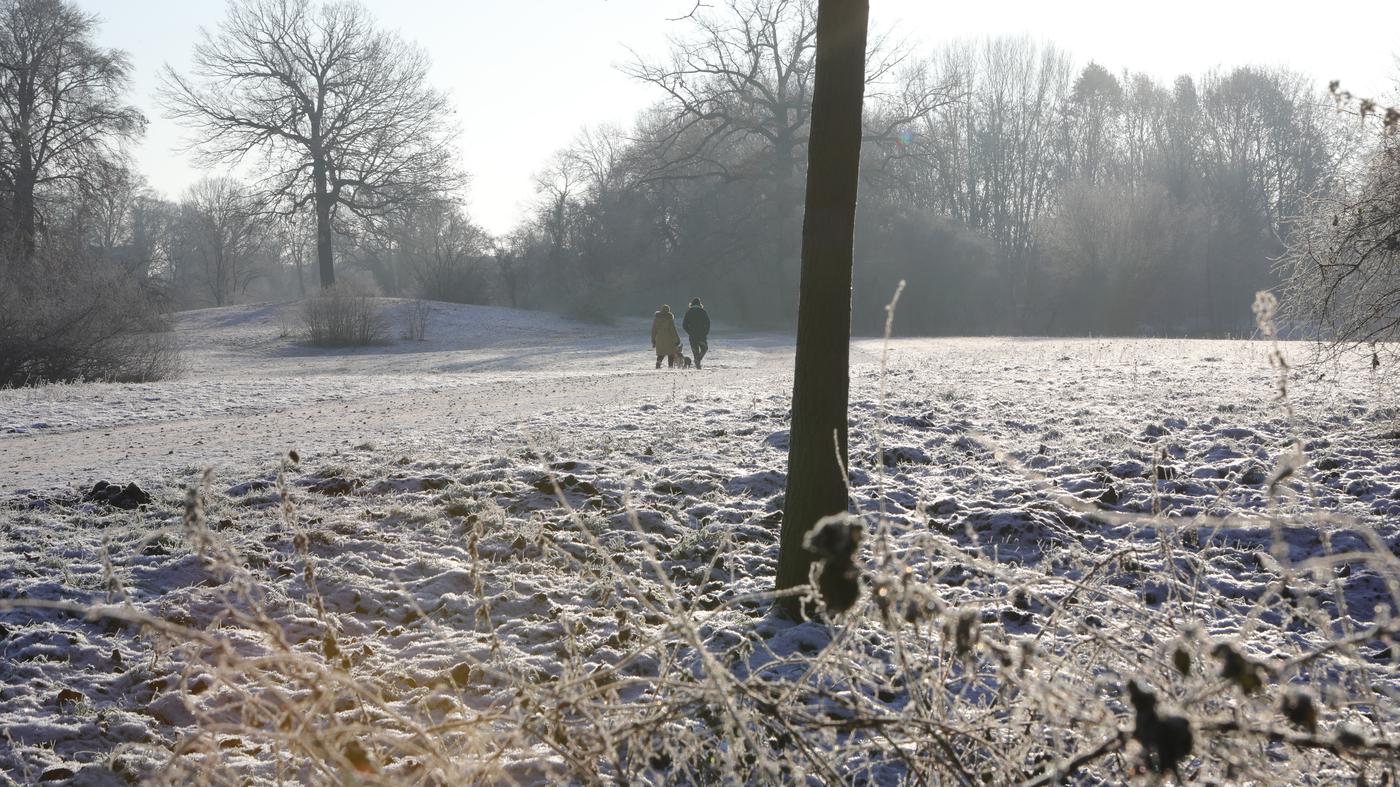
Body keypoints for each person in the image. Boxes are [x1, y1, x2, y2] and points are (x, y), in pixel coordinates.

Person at [682, 297, 710, 369]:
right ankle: (698, 362)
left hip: (692, 335)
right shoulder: (703, 311)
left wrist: (689, 332)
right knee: (704, 348)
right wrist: (705, 332)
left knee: (695, 351)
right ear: (700, 304)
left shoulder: (689, 312)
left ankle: (697, 364)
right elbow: (708, 323)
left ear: (691, 304)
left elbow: (684, 325)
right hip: (701, 335)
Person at [651, 304, 682, 368]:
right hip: (669, 338)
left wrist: (653, 340)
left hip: (659, 338)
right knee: (670, 353)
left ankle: (658, 364)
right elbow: (673, 330)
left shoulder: (657, 318)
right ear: (668, 310)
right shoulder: (669, 318)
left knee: (660, 354)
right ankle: (670, 366)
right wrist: (677, 340)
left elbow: (654, 330)